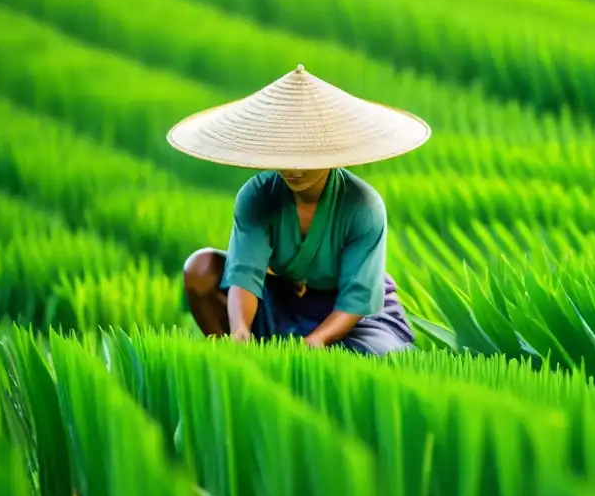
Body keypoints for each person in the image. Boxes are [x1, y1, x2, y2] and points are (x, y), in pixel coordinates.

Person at [166, 63, 431, 355]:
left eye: (306, 156)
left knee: (374, 356)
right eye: (285, 154)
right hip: (282, 299)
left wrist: (315, 341)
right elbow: (245, 273)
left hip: (352, 315)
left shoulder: (362, 206)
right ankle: (234, 362)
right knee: (201, 268)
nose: (293, 169)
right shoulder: (257, 195)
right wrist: (239, 329)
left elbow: (356, 299)